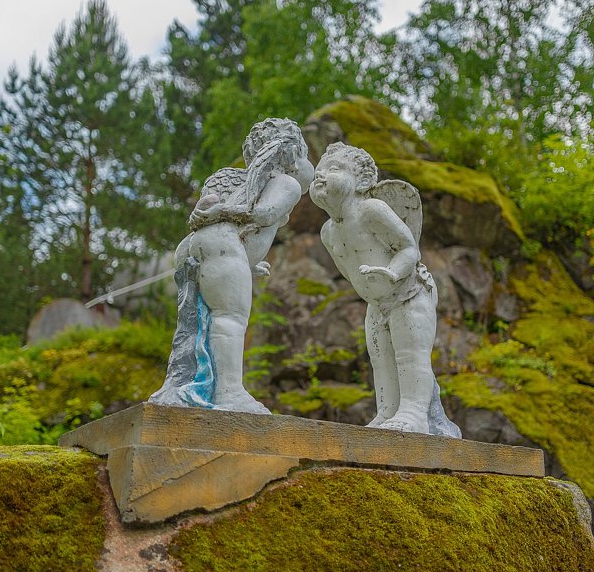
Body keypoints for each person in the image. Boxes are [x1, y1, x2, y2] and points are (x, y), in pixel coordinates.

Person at [149, 118, 314, 414]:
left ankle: (189, 386)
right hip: (222, 241)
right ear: (293, 155)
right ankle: (229, 393)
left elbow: (243, 238)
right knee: (230, 317)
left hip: (195, 247)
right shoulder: (286, 182)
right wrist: (221, 213)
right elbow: (264, 214)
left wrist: (246, 265)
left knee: (197, 323)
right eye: (306, 156)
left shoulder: (253, 184)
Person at [310, 142, 460, 437]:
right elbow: (349, 270)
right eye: (319, 171)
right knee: (381, 362)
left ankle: (414, 414)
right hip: (377, 304)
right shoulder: (328, 232)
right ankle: (388, 412)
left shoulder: (371, 210)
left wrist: (391, 273)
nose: (320, 176)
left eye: (334, 169)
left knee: (409, 356)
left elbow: (409, 248)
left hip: (408, 294)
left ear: (361, 181)